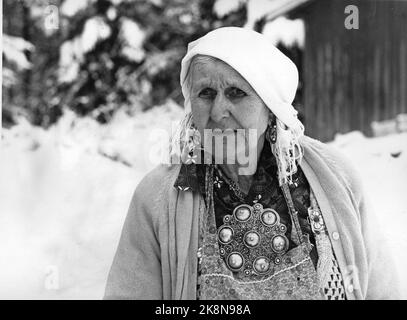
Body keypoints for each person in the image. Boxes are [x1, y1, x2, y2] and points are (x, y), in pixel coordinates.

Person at [104, 27, 400, 300]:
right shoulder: (158, 198)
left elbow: (383, 291)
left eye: (237, 93)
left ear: (270, 106)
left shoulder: (334, 177)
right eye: (206, 93)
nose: (219, 110)